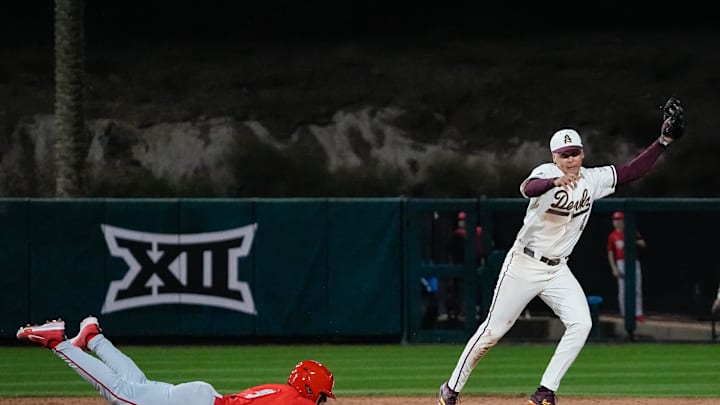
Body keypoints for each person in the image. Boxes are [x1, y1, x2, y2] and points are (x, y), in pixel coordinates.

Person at [437, 97, 684, 405]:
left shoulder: (592, 180)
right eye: (564, 155)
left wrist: (663, 142)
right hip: (524, 263)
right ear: (554, 157)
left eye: (575, 153)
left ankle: (545, 391)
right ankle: (451, 388)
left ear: (582, 153)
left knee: (582, 323)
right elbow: (527, 188)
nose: (570, 159)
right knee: (493, 331)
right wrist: (554, 180)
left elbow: (632, 171)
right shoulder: (545, 172)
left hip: (557, 270)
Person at [16, 316, 336, 405]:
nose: (321, 402)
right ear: (311, 388)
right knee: (119, 394)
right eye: (322, 395)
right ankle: (58, 341)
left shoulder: (281, 391)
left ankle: (92, 337)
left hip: (202, 398)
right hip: (199, 403)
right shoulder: (298, 403)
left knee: (135, 386)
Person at [607, 211, 647, 322]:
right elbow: (610, 253)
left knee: (637, 288)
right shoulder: (613, 236)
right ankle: (624, 314)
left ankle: (638, 313)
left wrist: (634, 242)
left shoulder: (631, 232)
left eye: (619, 220)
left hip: (633, 261)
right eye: (615, 220)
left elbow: (643, 244)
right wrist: (614, 268)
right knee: (622, 289)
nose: (617, 222)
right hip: (620, 262)